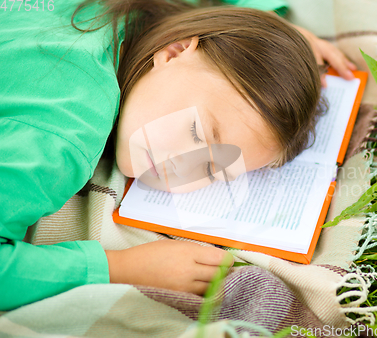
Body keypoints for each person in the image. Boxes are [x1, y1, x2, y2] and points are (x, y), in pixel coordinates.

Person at [0, 0, 356, 311]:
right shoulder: (64, 131)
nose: (182, 166)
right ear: (173, 52)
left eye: (214, 169)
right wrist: (119, 267)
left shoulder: (148, 24)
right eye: (197, 132)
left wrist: (269, 31)